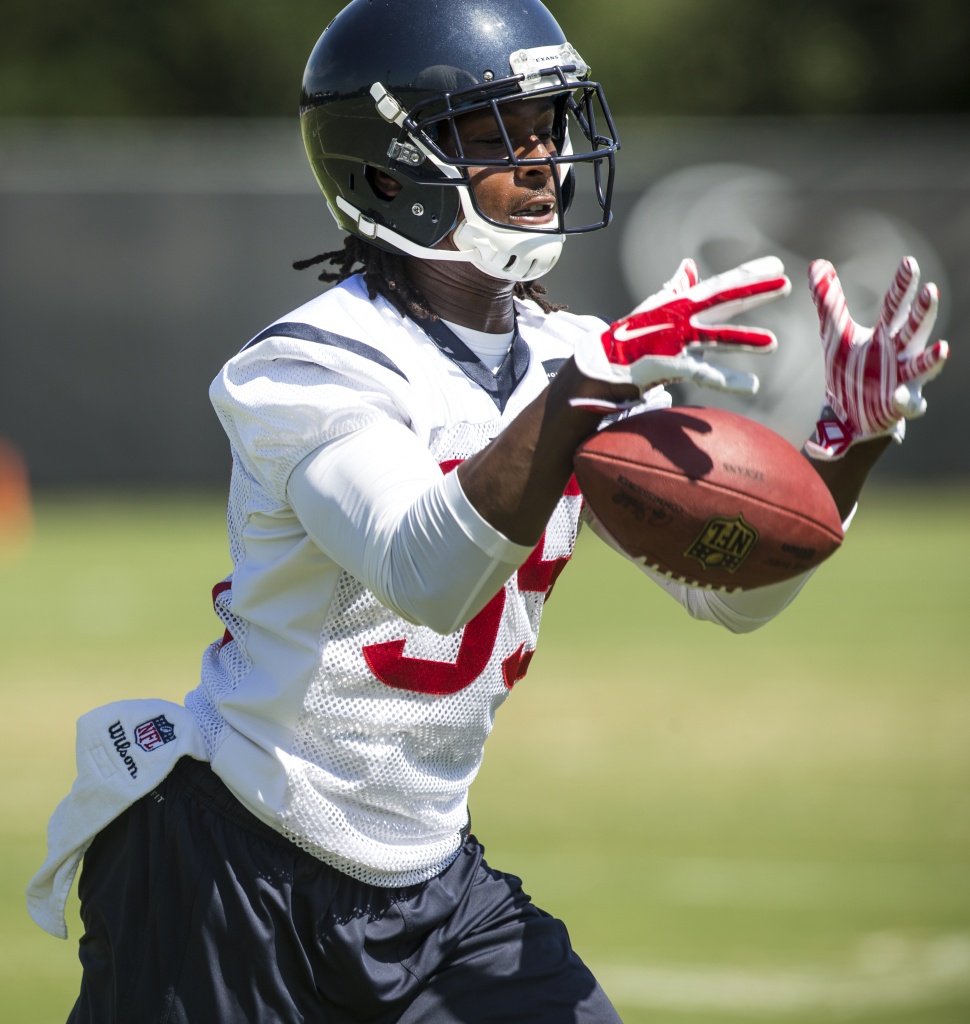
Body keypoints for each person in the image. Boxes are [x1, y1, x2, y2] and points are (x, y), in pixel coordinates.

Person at [28, 0, 949, 1021]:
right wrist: (575, 399)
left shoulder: (574, 360)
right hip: (233, 863)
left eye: (548, 125)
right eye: (501, 131)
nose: (545, 158)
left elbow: (731, 600)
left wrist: (847, 445)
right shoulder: (305, 366)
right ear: (390, 172)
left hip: (429, 883)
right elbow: (423, 571)